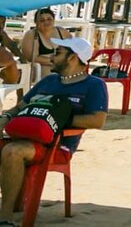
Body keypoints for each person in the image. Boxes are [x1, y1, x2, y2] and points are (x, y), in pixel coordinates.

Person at [0, 37, 107, 224]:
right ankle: (14, 200)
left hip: (57, 145)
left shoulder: (94, 85)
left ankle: (5, 216)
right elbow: (20, 107)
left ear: (73, 57)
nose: (51, 56)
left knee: (12, 152)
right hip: (24, 134)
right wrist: (6, 118)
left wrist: (56, 120)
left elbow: (97, 120)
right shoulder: (49, 80)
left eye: (57, 53)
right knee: (10, 148)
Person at [19, 8, 71, 74]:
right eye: (42, 20)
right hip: (41, 70)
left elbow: (73, 49)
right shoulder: (32, 35)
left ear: (54, 20)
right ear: (36, 22)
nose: (46, 22)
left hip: (62, 67)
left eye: (49, 19)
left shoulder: (62, 32)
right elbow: (31, 58)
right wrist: (54, 62)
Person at [0, 19, 20, 85]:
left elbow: (13, 47)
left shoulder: (2, 34)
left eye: (3, 22)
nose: (1, 25)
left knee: (20, 72)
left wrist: (25, 62)